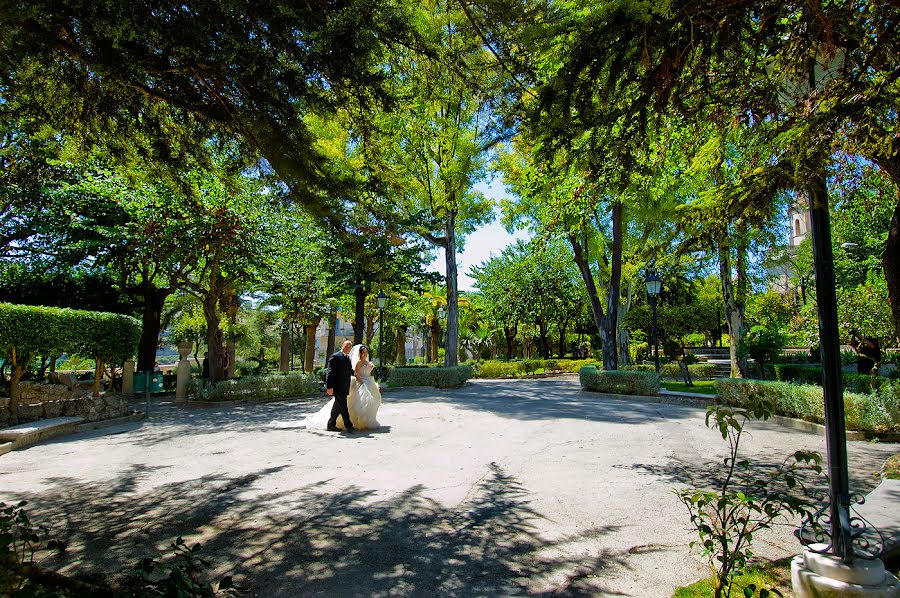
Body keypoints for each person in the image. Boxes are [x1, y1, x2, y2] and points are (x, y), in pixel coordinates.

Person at [302, 342, 383, 432]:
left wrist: (358, 376)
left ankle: (331, 424)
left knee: (337, 406)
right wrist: (329, 387)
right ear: (342, 346)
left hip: (345, 386)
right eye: (346, 346)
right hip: (338, 386)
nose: (348, 348)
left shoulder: (348, 357)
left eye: (350, 346)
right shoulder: (335, 356)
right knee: (344, 406)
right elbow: (330, 372)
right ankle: (349, 425)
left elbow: (350, 371)